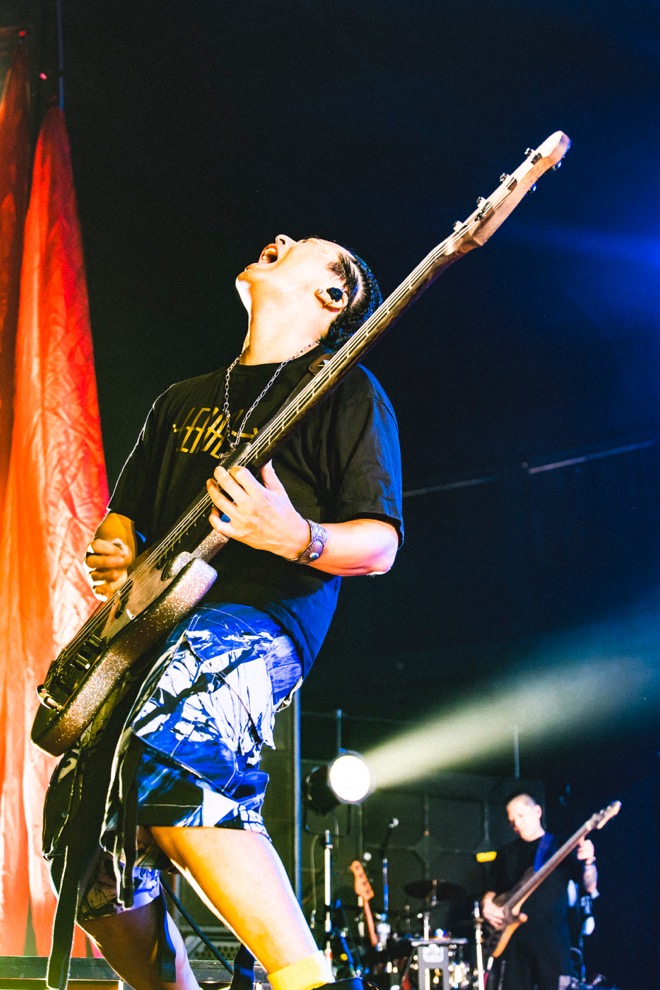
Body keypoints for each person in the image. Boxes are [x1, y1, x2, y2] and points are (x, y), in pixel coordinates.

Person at [42, 234, 403, 990]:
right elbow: (124, 520)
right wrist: (117, 550)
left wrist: (294, 535)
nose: (278, 240)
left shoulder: (347, 391)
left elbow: (378, 546)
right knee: (82, 840)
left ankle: (307, 979)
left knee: (176, 744)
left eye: (301, 246)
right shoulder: (179, 400)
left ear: (333, 296)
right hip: (149, 633)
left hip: (258, 615)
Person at [481, 792, 599, 990]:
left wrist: (589, 862)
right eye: (511, 820)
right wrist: (487, 905)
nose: (517, 824)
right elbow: (492, 889)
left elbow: (590, 886)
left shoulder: (559, 847)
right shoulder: (506, 852)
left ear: (537, 811)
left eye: (521, 816)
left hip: (551, 940)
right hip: (512, 942)